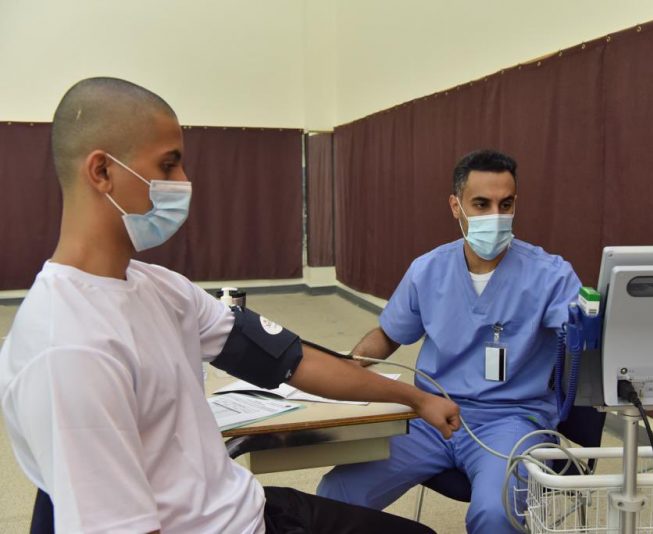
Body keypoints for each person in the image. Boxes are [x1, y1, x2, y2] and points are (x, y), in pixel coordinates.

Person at [0, 77, 461, 534]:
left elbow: (290, 360)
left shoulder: (160, 288)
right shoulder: (69, 349)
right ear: (102, 171)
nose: (184, 182)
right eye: (168, 165)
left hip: (246, 510)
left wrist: (416, 398)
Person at [317, 149, 581, 533]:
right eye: (481, 204)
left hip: (510, 420)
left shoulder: (550, 275)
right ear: (456, 206)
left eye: (505, 204)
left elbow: (582, 339)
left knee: (495, 514)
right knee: (335, 495)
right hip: (430, 414)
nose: (495, 216)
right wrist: (343, 365)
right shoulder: (428, 270)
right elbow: (388, 335)